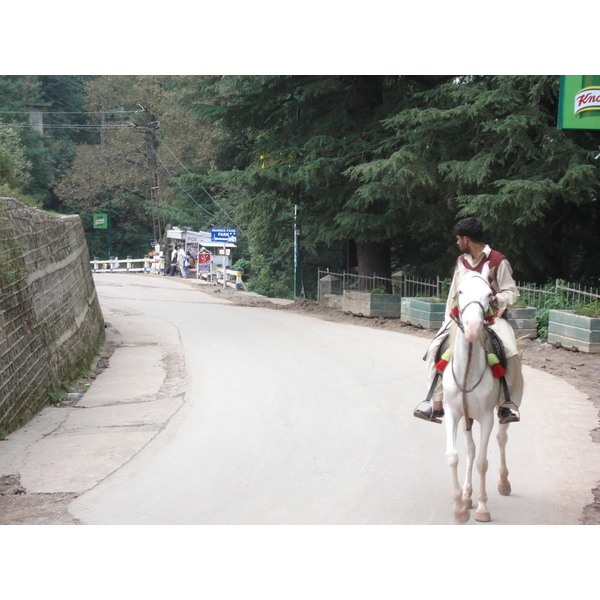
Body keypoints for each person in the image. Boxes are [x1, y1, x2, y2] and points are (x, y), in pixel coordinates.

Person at [413, 217, 523, 425]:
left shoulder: (498, 261)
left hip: (491, 319)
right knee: (434, 349)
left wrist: (494, 299)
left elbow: (512, 293)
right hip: (461, 320)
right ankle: (435, 403)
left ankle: (507, 405)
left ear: (465, 239)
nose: (457, 243)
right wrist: (448, 320)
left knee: (511, 352)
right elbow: (454, 293)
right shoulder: (461, 262)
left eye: (458, 239)